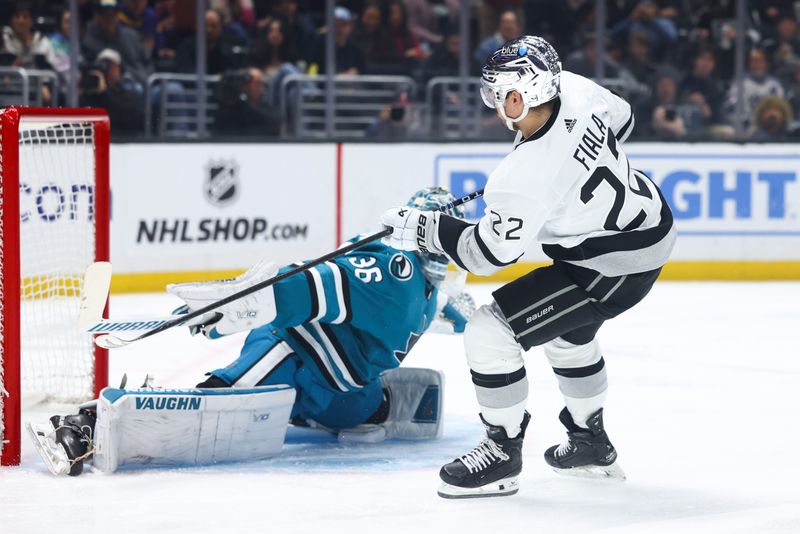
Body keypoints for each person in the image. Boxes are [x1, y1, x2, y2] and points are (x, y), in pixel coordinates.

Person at [381, 35, 676, 498]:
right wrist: (575, 162)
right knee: (568, 336)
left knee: (489, 332)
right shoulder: (573, 88)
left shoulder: (521, 180)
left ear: (522, 96)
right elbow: (624, 118)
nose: (495, 106)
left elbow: (487, 254)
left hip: (608, 265)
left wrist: (429, 230)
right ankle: (590, 442)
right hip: (649, 232)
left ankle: (502, 452)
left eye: (500, 95)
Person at [34, 188, 475, 476]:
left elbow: (311, 288)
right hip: (324, 380)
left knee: (242, 391)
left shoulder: (406, 277)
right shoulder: (415, 282)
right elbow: (322, 292)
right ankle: (97, 430)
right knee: (255, 392)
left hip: (317, 377)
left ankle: (92, 428)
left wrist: (239, 307)